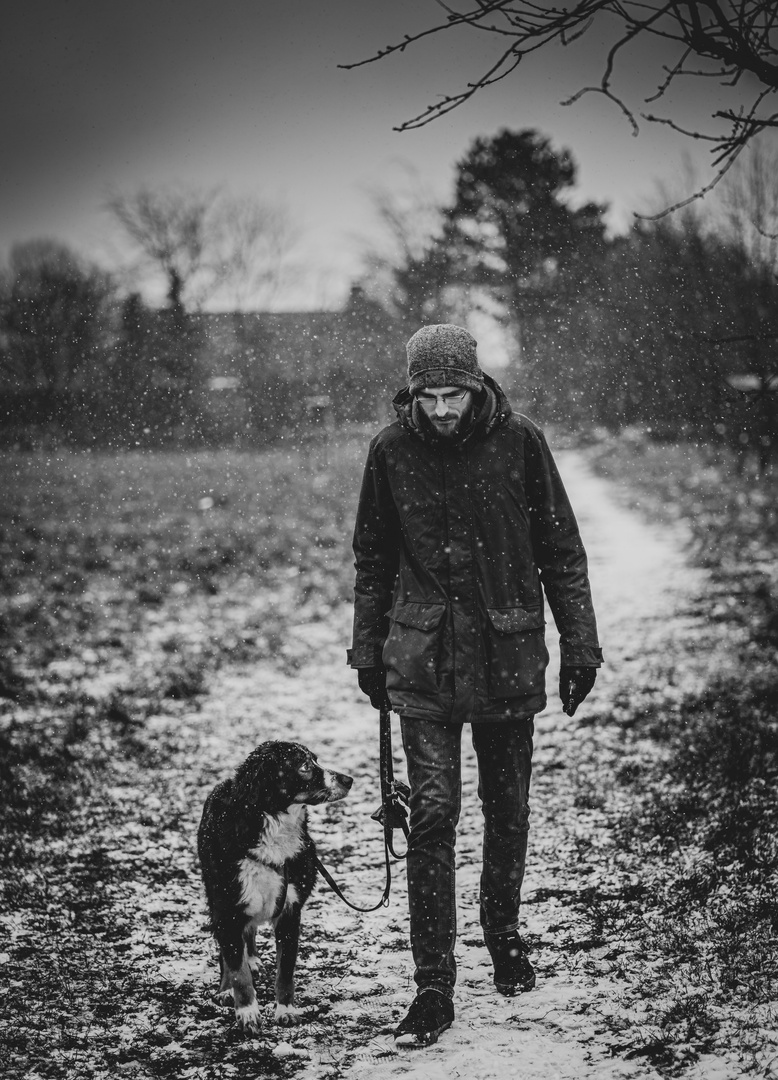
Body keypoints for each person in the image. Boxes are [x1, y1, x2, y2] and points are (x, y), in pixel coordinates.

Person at [348, 323, 602, 1048]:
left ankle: (504, 933)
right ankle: (433, 983)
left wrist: (580, 644)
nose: (441, 410)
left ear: (476, 384)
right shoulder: (390, 452)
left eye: (453, 393)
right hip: (421, 659)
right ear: (413, 392)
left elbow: (561, 549)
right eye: (427, 396)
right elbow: (373, 557)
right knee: (430, 816)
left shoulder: (521, 442)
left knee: (507, 805)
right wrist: (369, 650)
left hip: (507, 651)